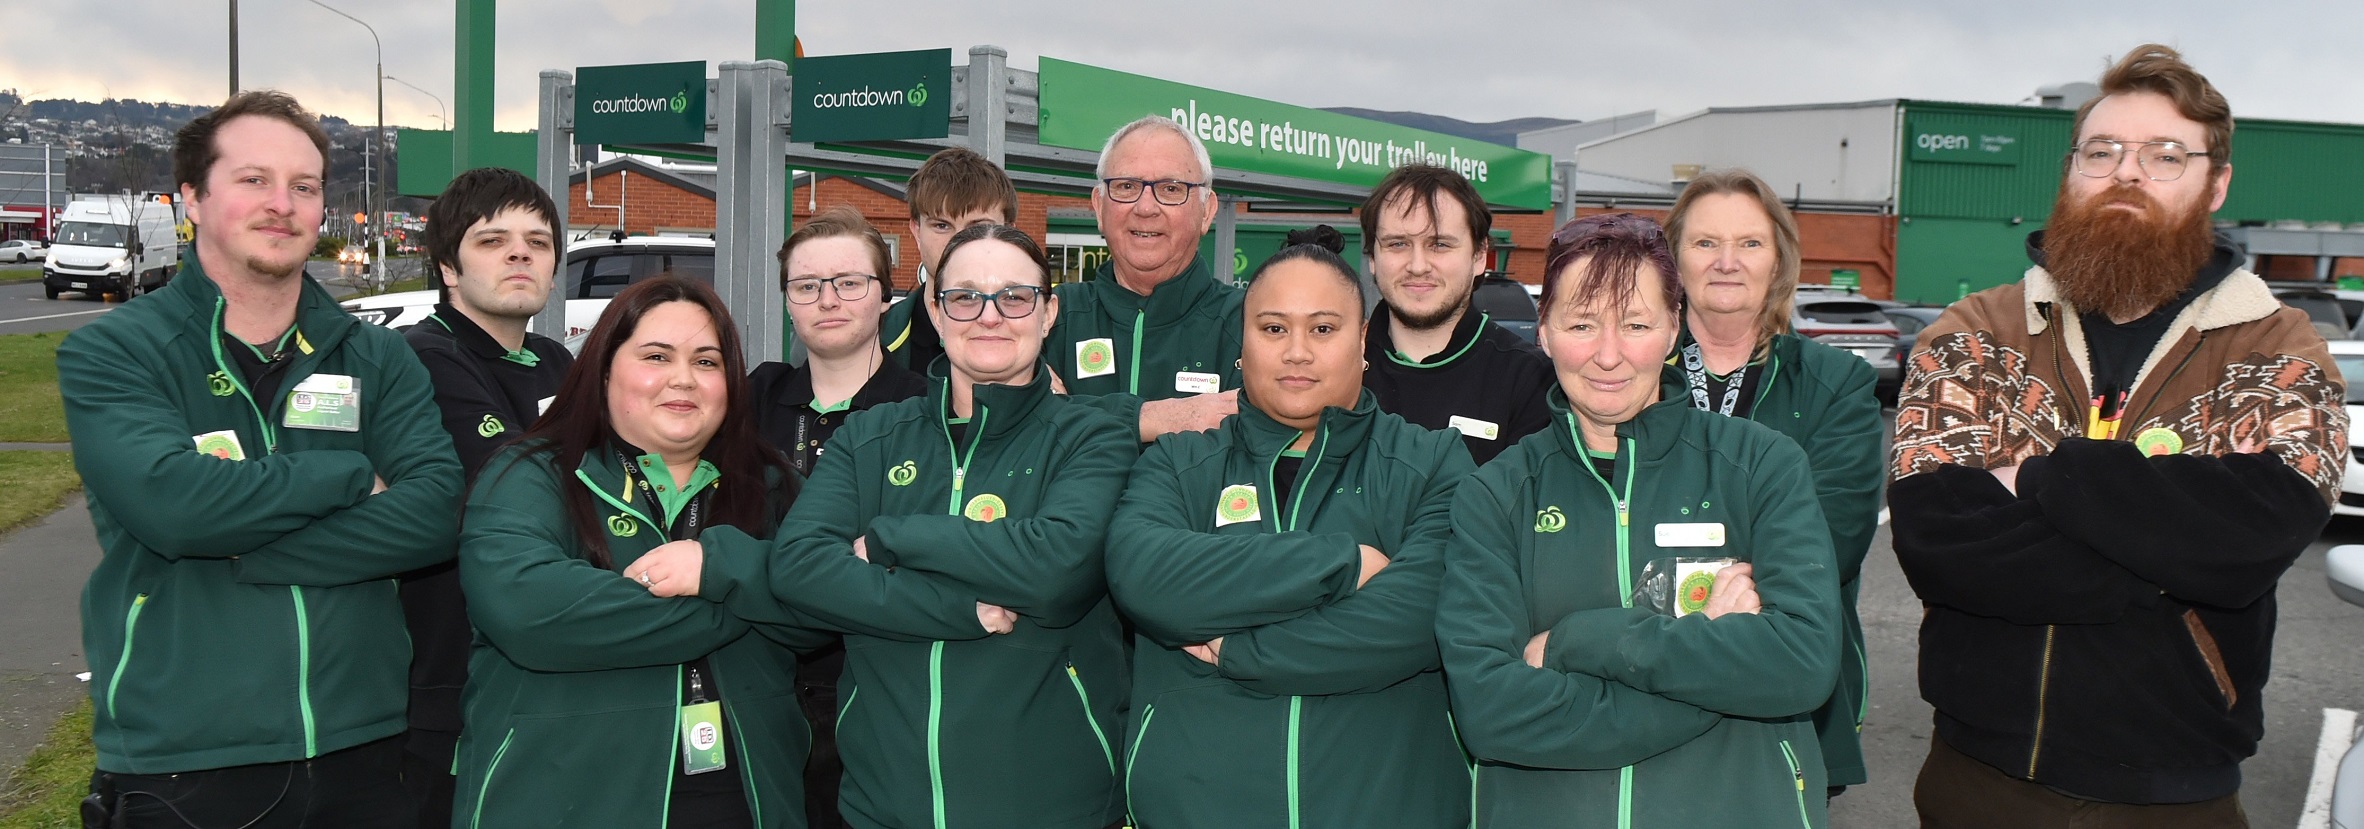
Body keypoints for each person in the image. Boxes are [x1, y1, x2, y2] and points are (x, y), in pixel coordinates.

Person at [1890, 44, 2346, 828]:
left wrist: (2035, 477)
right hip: (1975, 779)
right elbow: (1936, 537)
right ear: (2070, 174)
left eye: (2166, 155)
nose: (2127, 172)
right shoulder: (1978, 331)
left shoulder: (2277, 344)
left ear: (2216, 183)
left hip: (2175, 796)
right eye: (2102, 152)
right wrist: (2166, 552)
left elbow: (2259, 530)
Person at [631, 224, 1138, 829]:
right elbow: (800, 568)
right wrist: (957, 604)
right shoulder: (871, 434)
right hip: (883, 803)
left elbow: (1057, 569)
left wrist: (895, 537)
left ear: (1049, 312)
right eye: (966, 296)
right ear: (934, 307)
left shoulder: (1093, 435)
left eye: (1016, 296)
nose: (990, 316)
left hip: (1055, 805)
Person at [61, 90, 462, 827]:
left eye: (304, 187)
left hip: (367, 750)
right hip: (187, 764)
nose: (283, 204)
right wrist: (345, 474)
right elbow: (174, 506)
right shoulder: (116, 351)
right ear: (192, 196)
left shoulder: (375, 356)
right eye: (254, 180)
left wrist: (247, 552)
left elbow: (435, 511)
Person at [1436, 213, 1841, 827]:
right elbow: (1492, 712)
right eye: (1580, 324)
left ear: (1674, 329)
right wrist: (1720, 675)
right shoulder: (1496, 494)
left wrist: (1581, 641)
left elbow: (1804, 664)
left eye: (1635, 324)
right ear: (1542, 332)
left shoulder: (1762, 466)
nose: (1608, 355)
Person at [1107, 240, 1476, 826]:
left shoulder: (1432, 463)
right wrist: (1344, 563)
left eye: (1324, 328)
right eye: (1273, 328)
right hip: (1197, 808)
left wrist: (1239, 649)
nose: (1297, 351)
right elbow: (1144, 577)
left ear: (1362, 343)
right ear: (1242, 343)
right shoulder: (1179, 463)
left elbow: (1421, 618)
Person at [454, 276, 816, 827]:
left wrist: (724, 569)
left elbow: (822, 610)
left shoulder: (772, 484)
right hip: (565, 798)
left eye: (707, 361)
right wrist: (743, 593)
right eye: (656, 356)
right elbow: (529, 613)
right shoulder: (529, 474)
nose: (683, 379)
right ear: (603, 371)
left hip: (748, 797)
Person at [1656, 171, 1884, 796]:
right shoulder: (1630, 372)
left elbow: (1834, 531)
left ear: (1779, 259)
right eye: (1705, 244)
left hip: (1787, 675)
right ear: (1674, 258)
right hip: (1648, 666)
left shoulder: (1836, 383)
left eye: (1750, 244)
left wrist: (1722, 593)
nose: (1727, 262)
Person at [397, 166, 576, 827]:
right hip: (451, 686)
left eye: (537, 240)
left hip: (551, 673)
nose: (520, 252)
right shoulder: (421, 358)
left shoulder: (559, 362)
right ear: (449, 265)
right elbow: (505, 489)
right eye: (492, 239)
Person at [749, 205, 929, 829]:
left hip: (879, 693)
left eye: (850, 283)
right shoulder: (754, 399)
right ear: (789, 302)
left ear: (886, 297)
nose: (828, 300)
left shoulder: (925, 408)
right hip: (762, 688)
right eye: (807, 286)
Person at [1048, 115, 1243, 440]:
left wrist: (1067, 413)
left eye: (1170, 189)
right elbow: (1012, 425)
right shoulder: (1051, 317)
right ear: (1099, 207)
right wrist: (1154, 417)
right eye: (1126, 186)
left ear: (1207, 211)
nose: (1145, 207)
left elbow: (1257, 438)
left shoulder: (1249, 323)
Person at [1357, 164, 1555, 464]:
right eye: (1398, 244)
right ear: (1373, 257)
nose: (1418, 265)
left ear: (1479, 256)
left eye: (1439, 244)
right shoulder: (1335, 365)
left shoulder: (1530, 380)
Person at [879, 147, 1018, 372]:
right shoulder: (872, 340)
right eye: (941, 226)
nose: (959, 241)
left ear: (1011, 234)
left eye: (979, 227)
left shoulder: (1048, 337)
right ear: (916, 231)